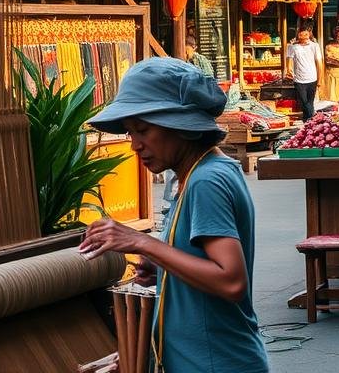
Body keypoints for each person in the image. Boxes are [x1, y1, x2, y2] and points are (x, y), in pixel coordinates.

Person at [80, 58, 267, 373]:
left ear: (182, 127)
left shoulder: (207, 180)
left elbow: (231, 281)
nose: (135, 145)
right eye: (130, 132)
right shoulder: (197, 174)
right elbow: (206, 268)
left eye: (143, 130)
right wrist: (164, 269)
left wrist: (142, 243)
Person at [284, 25, 322, 122]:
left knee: (310, 102)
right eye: (301, 33)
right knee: (304, 102)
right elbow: (289, 60)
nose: (304, 35)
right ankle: (312, 121)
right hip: (299, 79)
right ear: (298, 35)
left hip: (312, 78)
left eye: (306, 33)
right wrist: (289, 70)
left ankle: (307, 122)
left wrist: (320, 79)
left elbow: (319, 63)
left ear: (309, 34)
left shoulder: (315, 46)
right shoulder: (293, 47)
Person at [322, 24, 339, 102]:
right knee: (330, 97)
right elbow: (328, 60)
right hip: (330, 74)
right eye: (338, 32)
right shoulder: (329, 46)